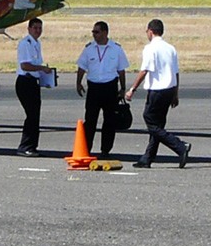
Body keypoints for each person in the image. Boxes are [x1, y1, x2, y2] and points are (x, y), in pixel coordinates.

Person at [125, 19, 191, 169]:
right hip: (169, 89)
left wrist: (132, 89)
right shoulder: (170, 48)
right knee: (158, 124)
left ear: (150, 31)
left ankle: (180, 146)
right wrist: (176, 93)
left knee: (150, 121)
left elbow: (145, 70)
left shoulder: (150, 48)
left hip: (157, 90)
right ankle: (148, 158)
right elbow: (176, 72)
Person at [74, 21, 129, 156]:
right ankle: (86, 149)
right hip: (93, 88)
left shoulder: (116, 49)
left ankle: (105, 150)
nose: (94, 35)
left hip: (110, 87)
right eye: (93, 32)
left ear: (105, 33)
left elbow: (121, 70)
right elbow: (82, 67)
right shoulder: (89, 48)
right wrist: (78, 83)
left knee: (109, 120)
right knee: (90, 120)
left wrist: (122, 88)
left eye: (97, 32)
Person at [15, 17, 53, 157]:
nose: (38, 31)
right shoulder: (26, 43)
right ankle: (25, 146)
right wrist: (42, 68)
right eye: (35, 28)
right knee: (31, 115)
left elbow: (36, 67)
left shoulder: (37, 43)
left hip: (33, 82)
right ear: (29, 29)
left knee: (35, 115)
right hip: (25, 82)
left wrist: (46, 79)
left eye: (39, 28)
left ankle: (32, 145)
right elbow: (25, 65)